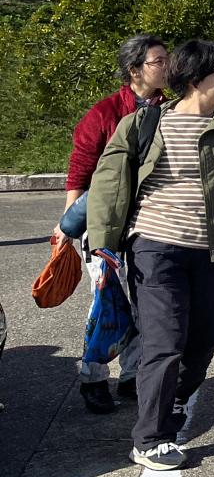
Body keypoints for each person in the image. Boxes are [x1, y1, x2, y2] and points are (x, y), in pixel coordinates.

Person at [87, 39, 214, 472]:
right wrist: (103, 242)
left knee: (206, 335)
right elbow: (109, 184)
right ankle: (150, 439)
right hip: (155, 247)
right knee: (164, 342)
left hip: (208, 249)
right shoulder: (144, 124)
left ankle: (174, 397)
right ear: (196, 79)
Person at [54, 34, 168, 414]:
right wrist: (69, 228)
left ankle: (132, 376)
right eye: (158, 61)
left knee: (143, 302)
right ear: (135, 70)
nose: (167, 67)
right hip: (102, 223)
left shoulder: (170, 111)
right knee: (106, 301)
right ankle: (93, 377)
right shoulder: (103, 114)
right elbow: (80, 172)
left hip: (149, 221)